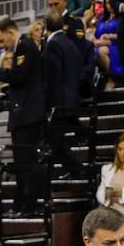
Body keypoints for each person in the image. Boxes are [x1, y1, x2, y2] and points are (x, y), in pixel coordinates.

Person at [0, 18, 44, 215]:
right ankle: (21, 205)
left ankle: (29, 205)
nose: (4, 46)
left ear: (11, 33)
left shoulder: (25, 46)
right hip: (22, 113)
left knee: (27, 163)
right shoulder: (22, 47)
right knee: (21, 163)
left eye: (4, 41)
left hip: (28, 114)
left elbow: (19, 76)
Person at [41, 12, 86, 179]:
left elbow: (53, 77)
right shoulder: (70, 43)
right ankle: (74, 168)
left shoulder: (53, 44)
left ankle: (77, 169)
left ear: (46, 27)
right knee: (56, 138)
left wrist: (49, 105)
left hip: (59, 102)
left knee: (53, 139)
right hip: (72, 98)